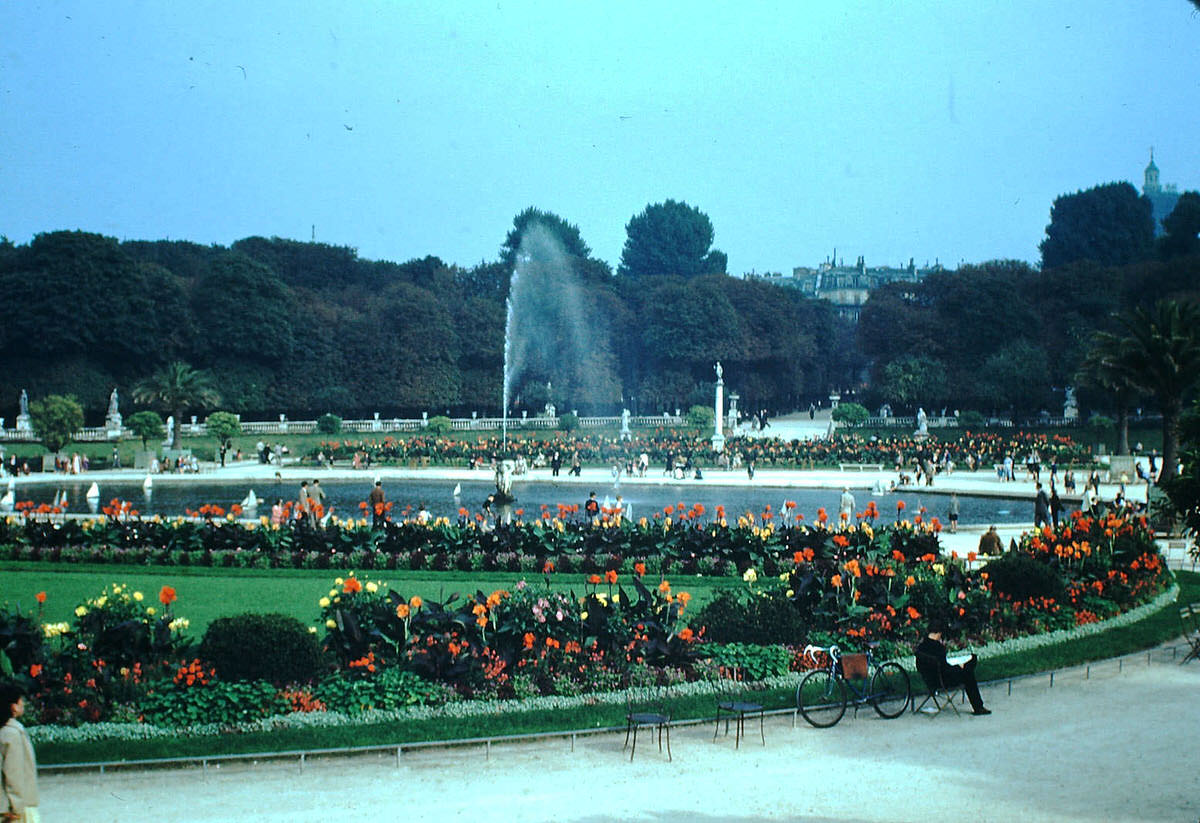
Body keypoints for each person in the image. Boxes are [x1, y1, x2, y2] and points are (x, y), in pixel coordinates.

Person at [915, 621, 990, 715]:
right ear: (938, 634)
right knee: (968, 673)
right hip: (941, 680)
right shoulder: (939, 648)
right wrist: (958, 667)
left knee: (967, 669)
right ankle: (978, 707)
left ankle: (978, 706)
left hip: (929, 679)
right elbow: (945, 669)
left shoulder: (921, 647)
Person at [0, 682, 40, 822]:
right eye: (20, 701)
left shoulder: (4, 731)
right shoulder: (13, 734)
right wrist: (16, 807)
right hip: (20, 808)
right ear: (12, 707)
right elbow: (13, 773)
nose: (23, 704)